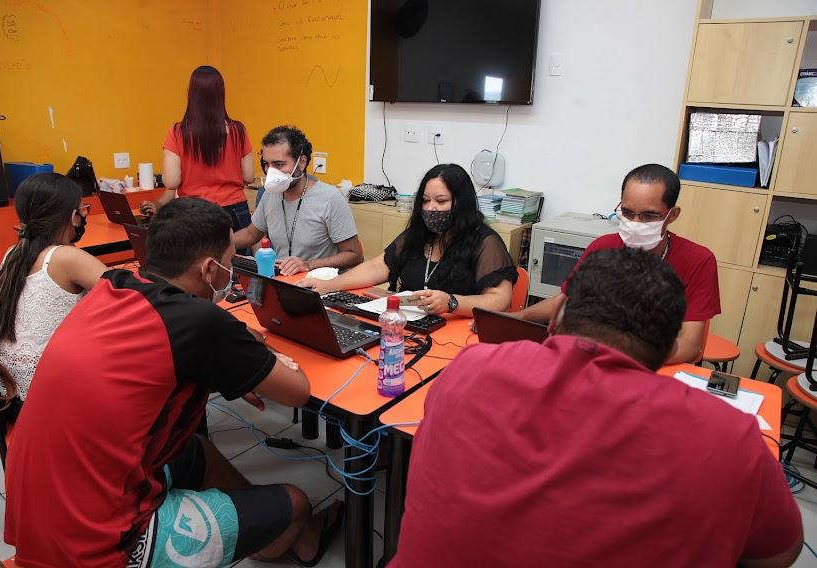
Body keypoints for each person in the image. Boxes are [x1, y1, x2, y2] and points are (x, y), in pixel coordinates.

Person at [391, 248, 802, 567]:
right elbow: (778, 554)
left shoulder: (471, 367)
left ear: (557, 319)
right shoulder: (729, 436)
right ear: (665, 352)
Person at [4, 198, 343, 567]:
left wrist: (231, 362)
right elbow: (298, 391)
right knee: (296, 501)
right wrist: (259, 359)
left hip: (36, 511)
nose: (231, 271)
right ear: (211, 270)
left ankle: (259, 526)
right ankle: (290, 532)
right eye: (231, 262)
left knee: (196, 451)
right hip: (98, 544)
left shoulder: (115, 285)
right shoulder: (198, 322)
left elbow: (149, 367)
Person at [514, 163, 719, 364]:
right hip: (595, 361)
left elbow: (690, 346)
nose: (635, 223)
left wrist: (620, 357)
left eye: (648, 216)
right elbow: (565, 300)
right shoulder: (603, 247)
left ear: (672, 215)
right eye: (628, 213)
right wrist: (519, 316)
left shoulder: (698, 260)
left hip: (654, 366)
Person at [300, 163, 517, 317]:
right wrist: (328, 286)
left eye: (441, 201)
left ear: (462, 203)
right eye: (425, 200)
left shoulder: (485, 242)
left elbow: (499, 299)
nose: (431, 208)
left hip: (458, 336)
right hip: (412, 327)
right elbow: (378, 267)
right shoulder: (418, 234)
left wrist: (451, 302)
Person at [0, 172, 106, 402]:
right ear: (72, 216)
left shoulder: (12, 253)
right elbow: (131, 295)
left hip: (4, 388)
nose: (83, 215)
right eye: (82, 209)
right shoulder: (67, 257)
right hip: (44, 397)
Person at [140, 65, 254, 241]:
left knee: (197, 263)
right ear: (221, 94)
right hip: (235, 209)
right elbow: (249, 176)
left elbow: (171, 181)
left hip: (194, 212)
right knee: (238, 264)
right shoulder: (238, 130)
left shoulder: (178, 132)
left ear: (190, 94)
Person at [233, 125, 363, 276]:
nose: (270, 171)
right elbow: (251, 234)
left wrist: (309, 265)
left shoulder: (330, 198)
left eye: (278, 164)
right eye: (266, 164)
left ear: (301, 162)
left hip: (319, 286)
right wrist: (216, 245)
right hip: (281, 281)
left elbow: (354, 255)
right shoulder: (270, 194)